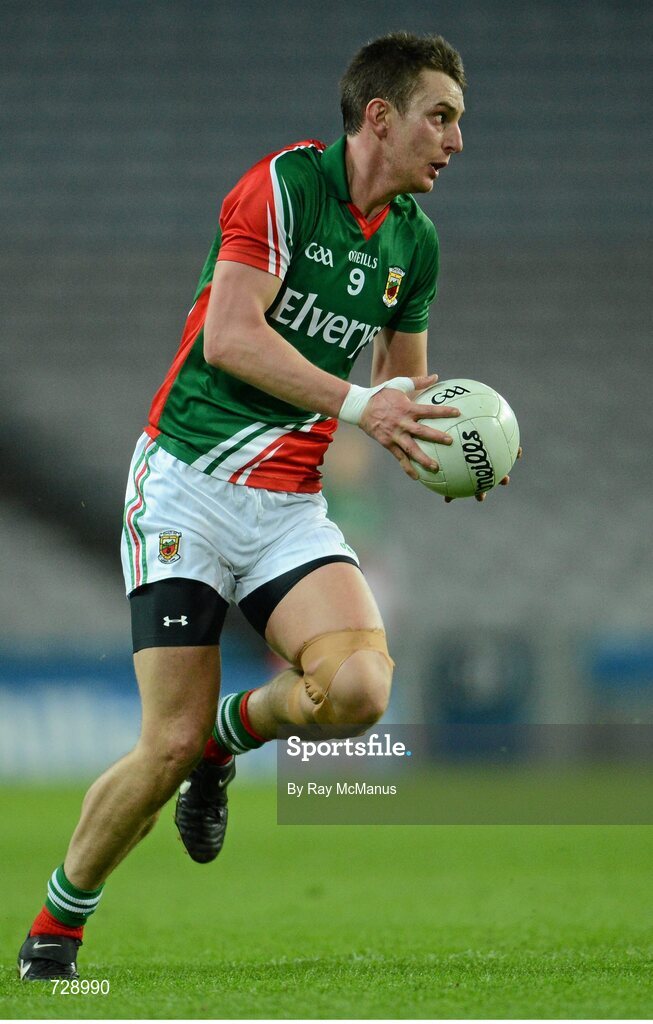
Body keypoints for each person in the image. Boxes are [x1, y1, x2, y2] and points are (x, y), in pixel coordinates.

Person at [18, 30, 513, 981]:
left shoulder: (414, 241)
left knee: (362, 691)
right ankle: (56, 929)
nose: (455, 141)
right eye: (441, 117)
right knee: (159, 746)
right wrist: (369, 408)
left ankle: (224, 740)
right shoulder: (281, 190)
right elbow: (231, 339)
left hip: (285, 504)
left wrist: (438, 442)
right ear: (380, 117)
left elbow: (403, 385)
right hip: (186, 487)